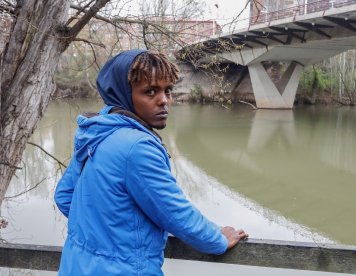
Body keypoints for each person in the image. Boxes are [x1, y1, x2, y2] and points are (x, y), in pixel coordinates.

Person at [54, 49, 248, 275]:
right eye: (150, 91)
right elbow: (175, 213)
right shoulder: (137, 147)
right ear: (124, 94)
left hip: (75, 266)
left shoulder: (96, 133)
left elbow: (65, 197)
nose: (164, 100)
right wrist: (218, 239)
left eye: (168, 90)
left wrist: (105, 232)